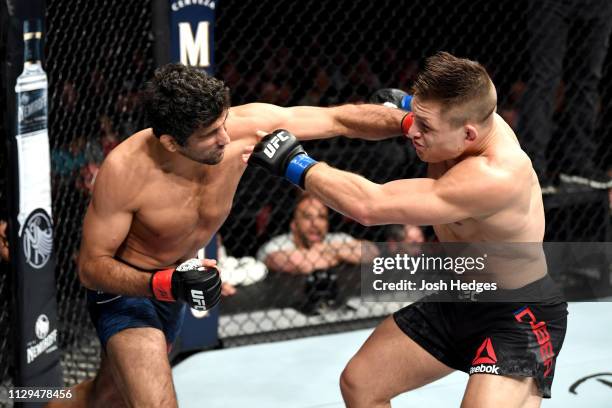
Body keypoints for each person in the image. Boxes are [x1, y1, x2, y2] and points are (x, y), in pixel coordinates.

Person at [51, 63, 407, 408]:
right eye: (209, 134)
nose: (225, 137)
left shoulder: (242, 126)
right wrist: (164, 284)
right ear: (172, 142)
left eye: (223, 122)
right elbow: (91, 267)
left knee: (107, 398)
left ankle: (33, 401)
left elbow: (338, 120)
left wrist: (410, 122)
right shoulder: (126, 171)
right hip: (128, 292)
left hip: (178, 286)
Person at [246, 52, 568, 407]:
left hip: (517, 314)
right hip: (461, 297)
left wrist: (294, 163)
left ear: (468, 134)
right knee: (361, 384)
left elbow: (370, 206)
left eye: (425, 127)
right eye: (416, 117)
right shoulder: (468, 118)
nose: (411, 130)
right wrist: (405, 104)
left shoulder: (494, 175)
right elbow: (427, 113)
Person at [517, 0, 612, 189]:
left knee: (587, 81)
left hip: (599, 5)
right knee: (544, 80)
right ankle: (532, 167)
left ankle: (578, 165)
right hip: (552, 4)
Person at [257, 193, 377, 274]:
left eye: (321, 217)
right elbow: (302, 264)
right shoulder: (275, 245)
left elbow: (372, 251)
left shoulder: (337, 237)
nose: (315, 223)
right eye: (307, 217)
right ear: (294, 225)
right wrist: (341, 254)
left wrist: (322, 249)